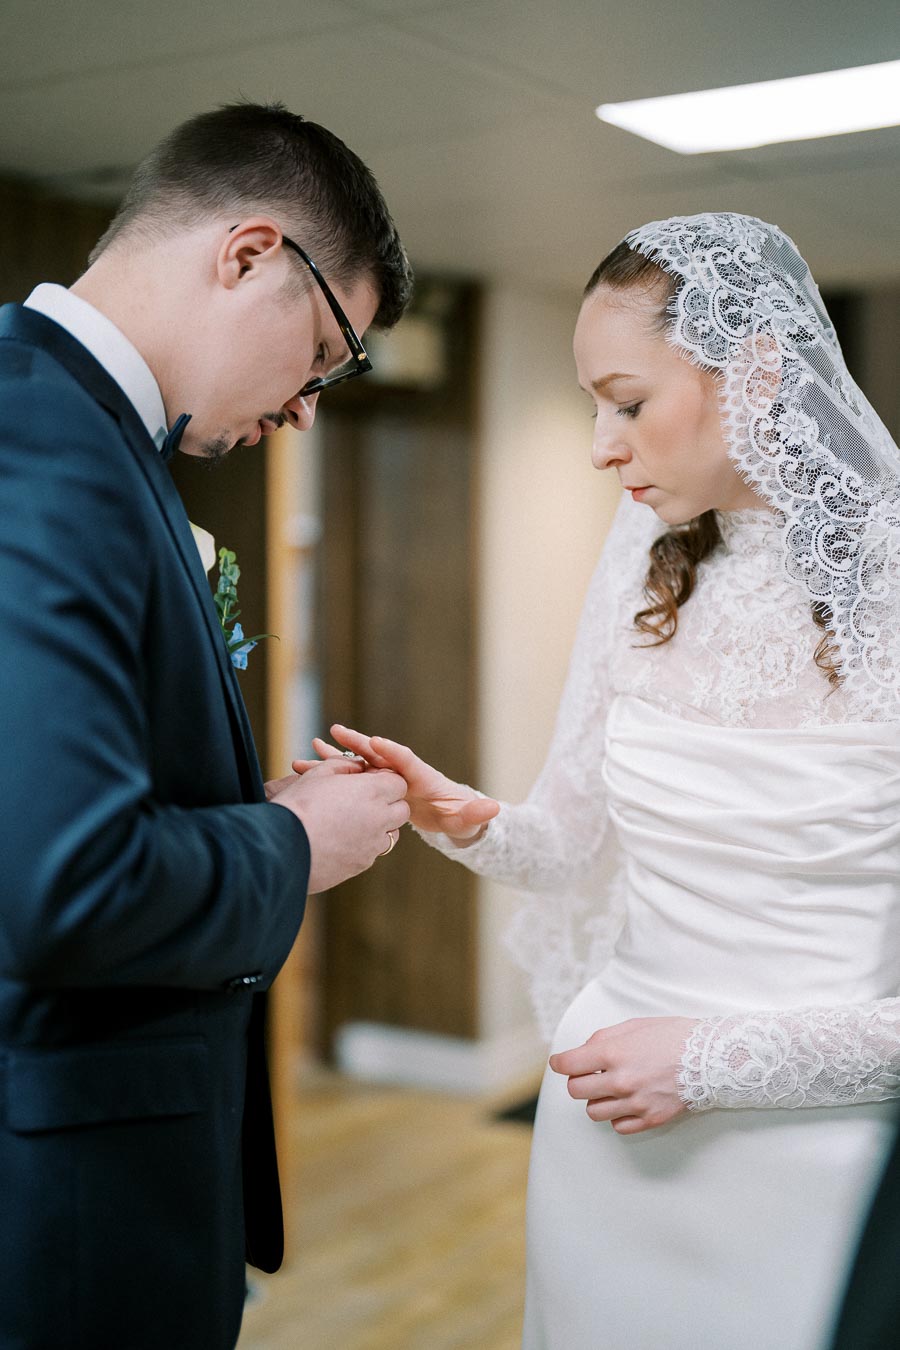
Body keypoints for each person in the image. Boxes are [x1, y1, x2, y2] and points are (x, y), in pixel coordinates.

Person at [302, 213, 900, 1349]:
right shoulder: (645, 560)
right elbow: (572, 843)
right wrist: (460, 816)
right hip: (605, 1123)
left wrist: (713, 1061)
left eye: (627, 402)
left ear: (761, 368)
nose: (600, 446)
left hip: (814, 1162)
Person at [0, 102, 412, 1350]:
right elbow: (65, 883)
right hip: (66, 1216)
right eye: (329, 357)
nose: (306, 409)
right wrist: (296, 842)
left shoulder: (80, 431)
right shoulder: (44, 446)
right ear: (248, 254)